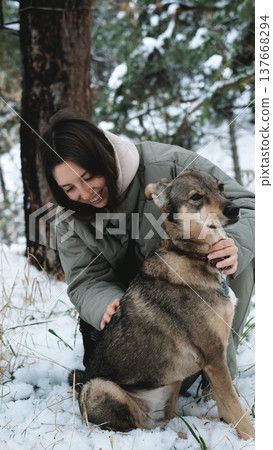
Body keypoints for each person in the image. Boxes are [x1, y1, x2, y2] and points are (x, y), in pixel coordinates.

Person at [39, 109, 254, 389]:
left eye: (88, 176)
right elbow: (85, 279)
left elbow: (247, 205)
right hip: (132, 322)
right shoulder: (69, 216)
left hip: (188, 295)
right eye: (69, 188)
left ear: (104, 156)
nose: (84, 193)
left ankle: (217, 375)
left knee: (239, 255)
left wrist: (234, 242)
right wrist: (105, 302)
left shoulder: (170, 165)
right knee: (122, 390)